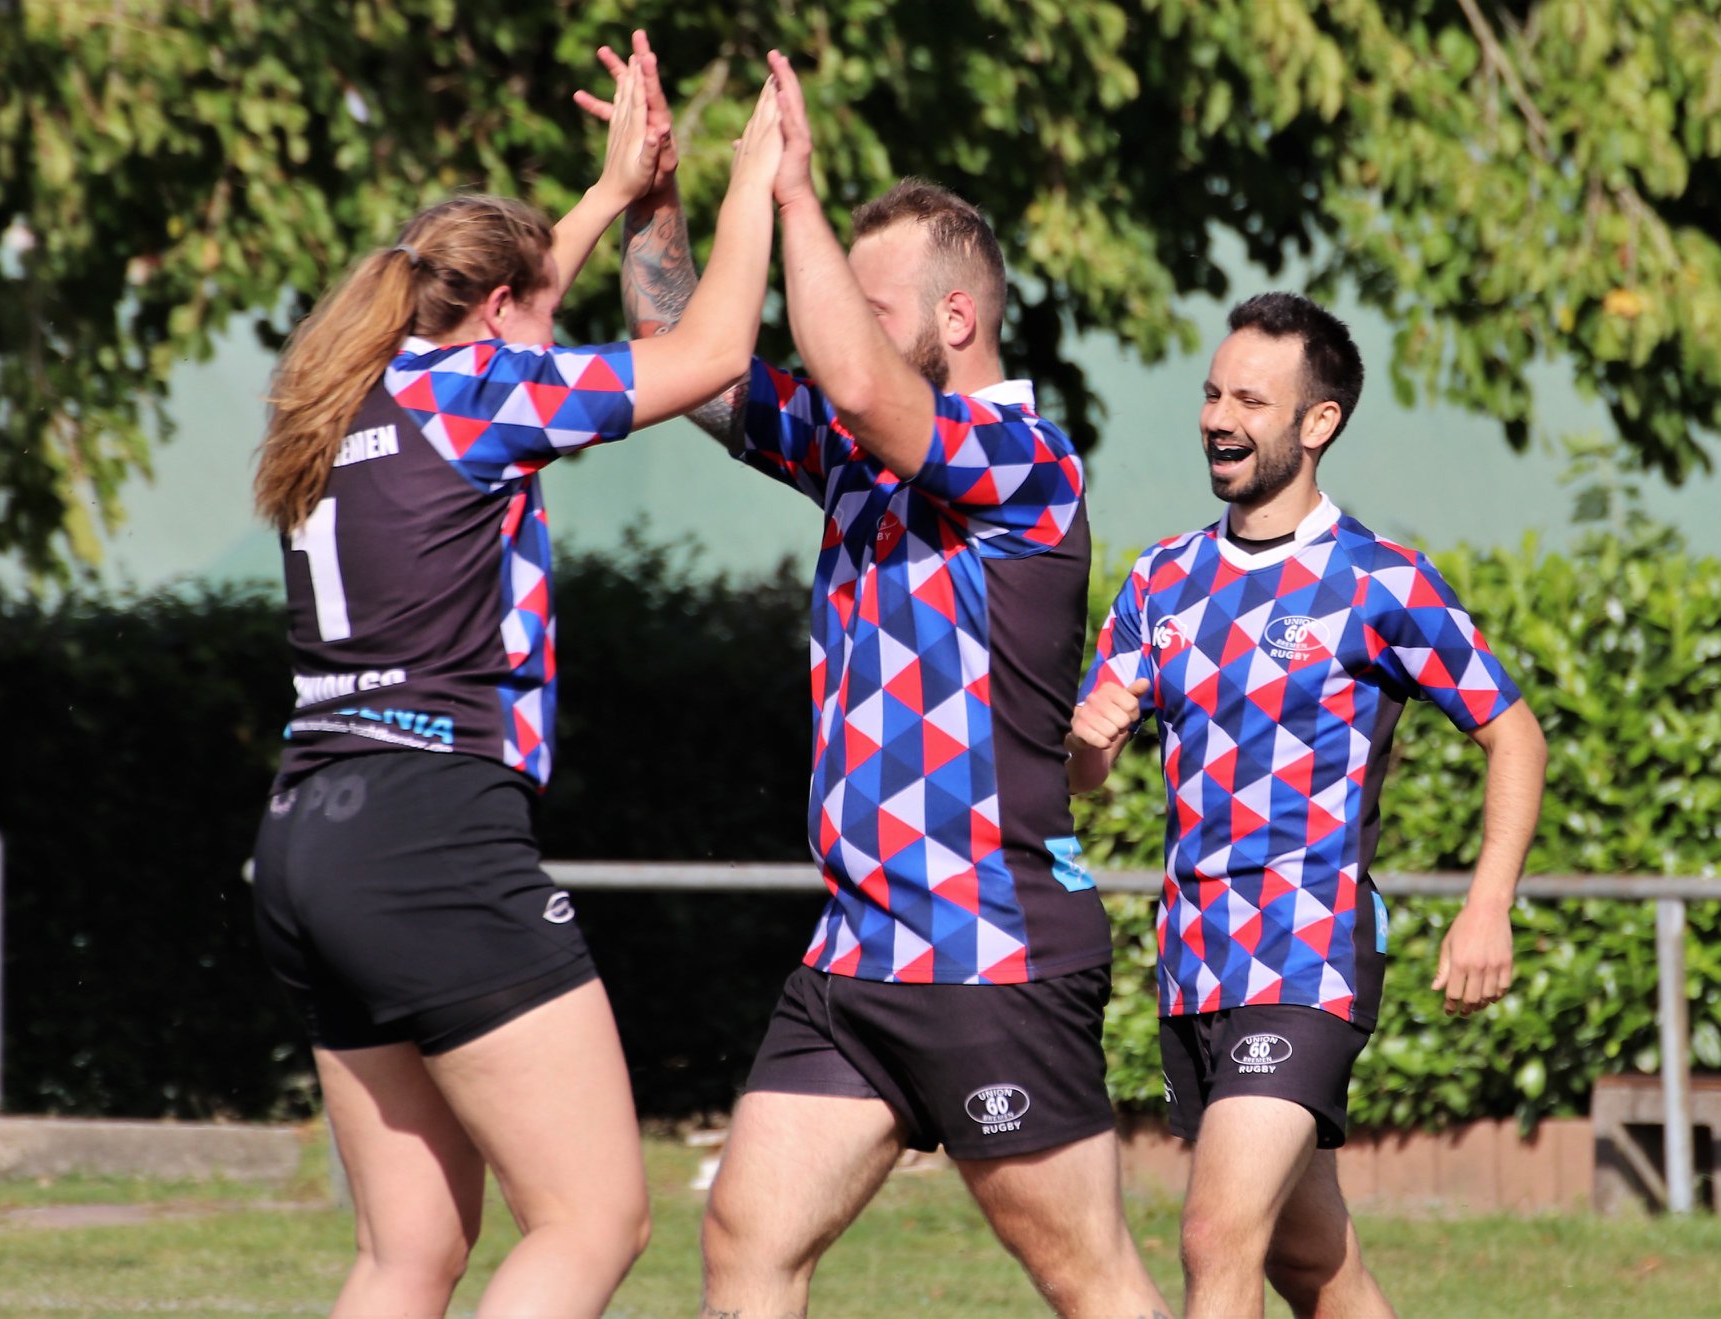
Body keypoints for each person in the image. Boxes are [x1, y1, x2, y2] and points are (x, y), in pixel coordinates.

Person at [582, 43, 1171, 1318]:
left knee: (1084, 1273)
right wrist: (656, 191)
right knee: (747, 1237)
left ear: (955, 319)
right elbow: (677, 348)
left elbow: (852, 373)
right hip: (860, 947)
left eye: (868, 300)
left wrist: (790, 194)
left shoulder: (1027, 459)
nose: (832, 319)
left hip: (988, 947)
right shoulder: (854, 458)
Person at [247, 54, 786, 1317]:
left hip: (308, 831)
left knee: (408, 1250)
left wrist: (607, 198)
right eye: (539, 312)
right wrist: (756, 183)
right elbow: (711, 351)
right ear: (494, 311)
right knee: (594, 1218)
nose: (556, 343)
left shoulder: (346, 399)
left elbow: (511, 314)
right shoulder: (483, 394)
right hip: (428, 826)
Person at [1066, 292, 1549, 1318]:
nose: (1217, 417)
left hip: (1308, 948)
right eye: (1211, 394)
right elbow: (1083, 773)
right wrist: (1085, 739)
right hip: (1193, 958)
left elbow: (1514, 732)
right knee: (1310, 1255)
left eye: (1250, 399)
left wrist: (1487, 905)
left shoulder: (1382, 580)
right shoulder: (1160, 578)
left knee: (1216, 1233)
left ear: (1317, 421)